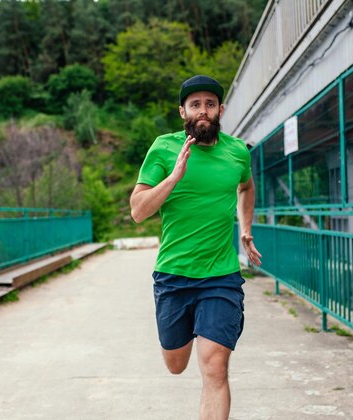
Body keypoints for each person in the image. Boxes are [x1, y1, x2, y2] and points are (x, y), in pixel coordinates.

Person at [130, 74, 262, 419]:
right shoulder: (163, 147)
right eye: (195, 104)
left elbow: (246, 188)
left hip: (221, 276)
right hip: (173, 276)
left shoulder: (236, 152)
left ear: (220, 109)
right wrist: (173, 177)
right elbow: (138, 211)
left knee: (215, 366)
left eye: (209, 103)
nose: (203, 110)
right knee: (176, 363)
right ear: (182, 112)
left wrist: (245, 228)